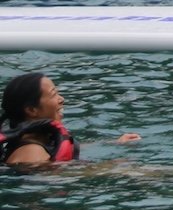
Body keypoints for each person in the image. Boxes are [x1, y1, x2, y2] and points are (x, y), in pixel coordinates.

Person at [2, 71, 139, 166]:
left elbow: (66, 151)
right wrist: (112, 167)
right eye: (53, 94)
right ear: (32, 110)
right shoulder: (30, 152)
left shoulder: (39, 139)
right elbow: (53, 176)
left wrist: (114, 143)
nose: (61, 99)